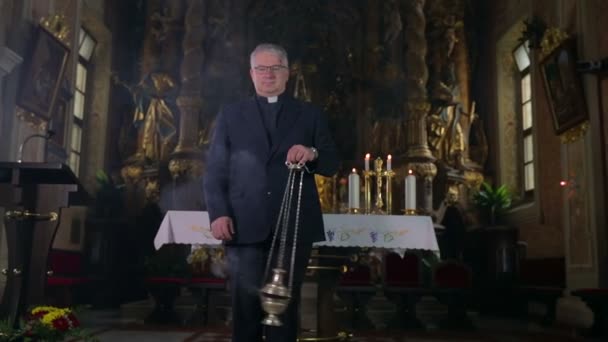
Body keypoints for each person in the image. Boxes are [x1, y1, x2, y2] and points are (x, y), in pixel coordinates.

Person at [203, 43, 340, 342]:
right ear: (251, 74)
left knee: (285, 307)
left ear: (287, 73)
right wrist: (219, 213)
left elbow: (332, 162)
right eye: (261, 69)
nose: (268, 74)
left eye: (275, 68)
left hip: (292, 227)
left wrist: (311, 152)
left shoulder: (309, 114)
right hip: (243, 224)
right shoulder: (230, 115)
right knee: (245, 308)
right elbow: (215, 171)